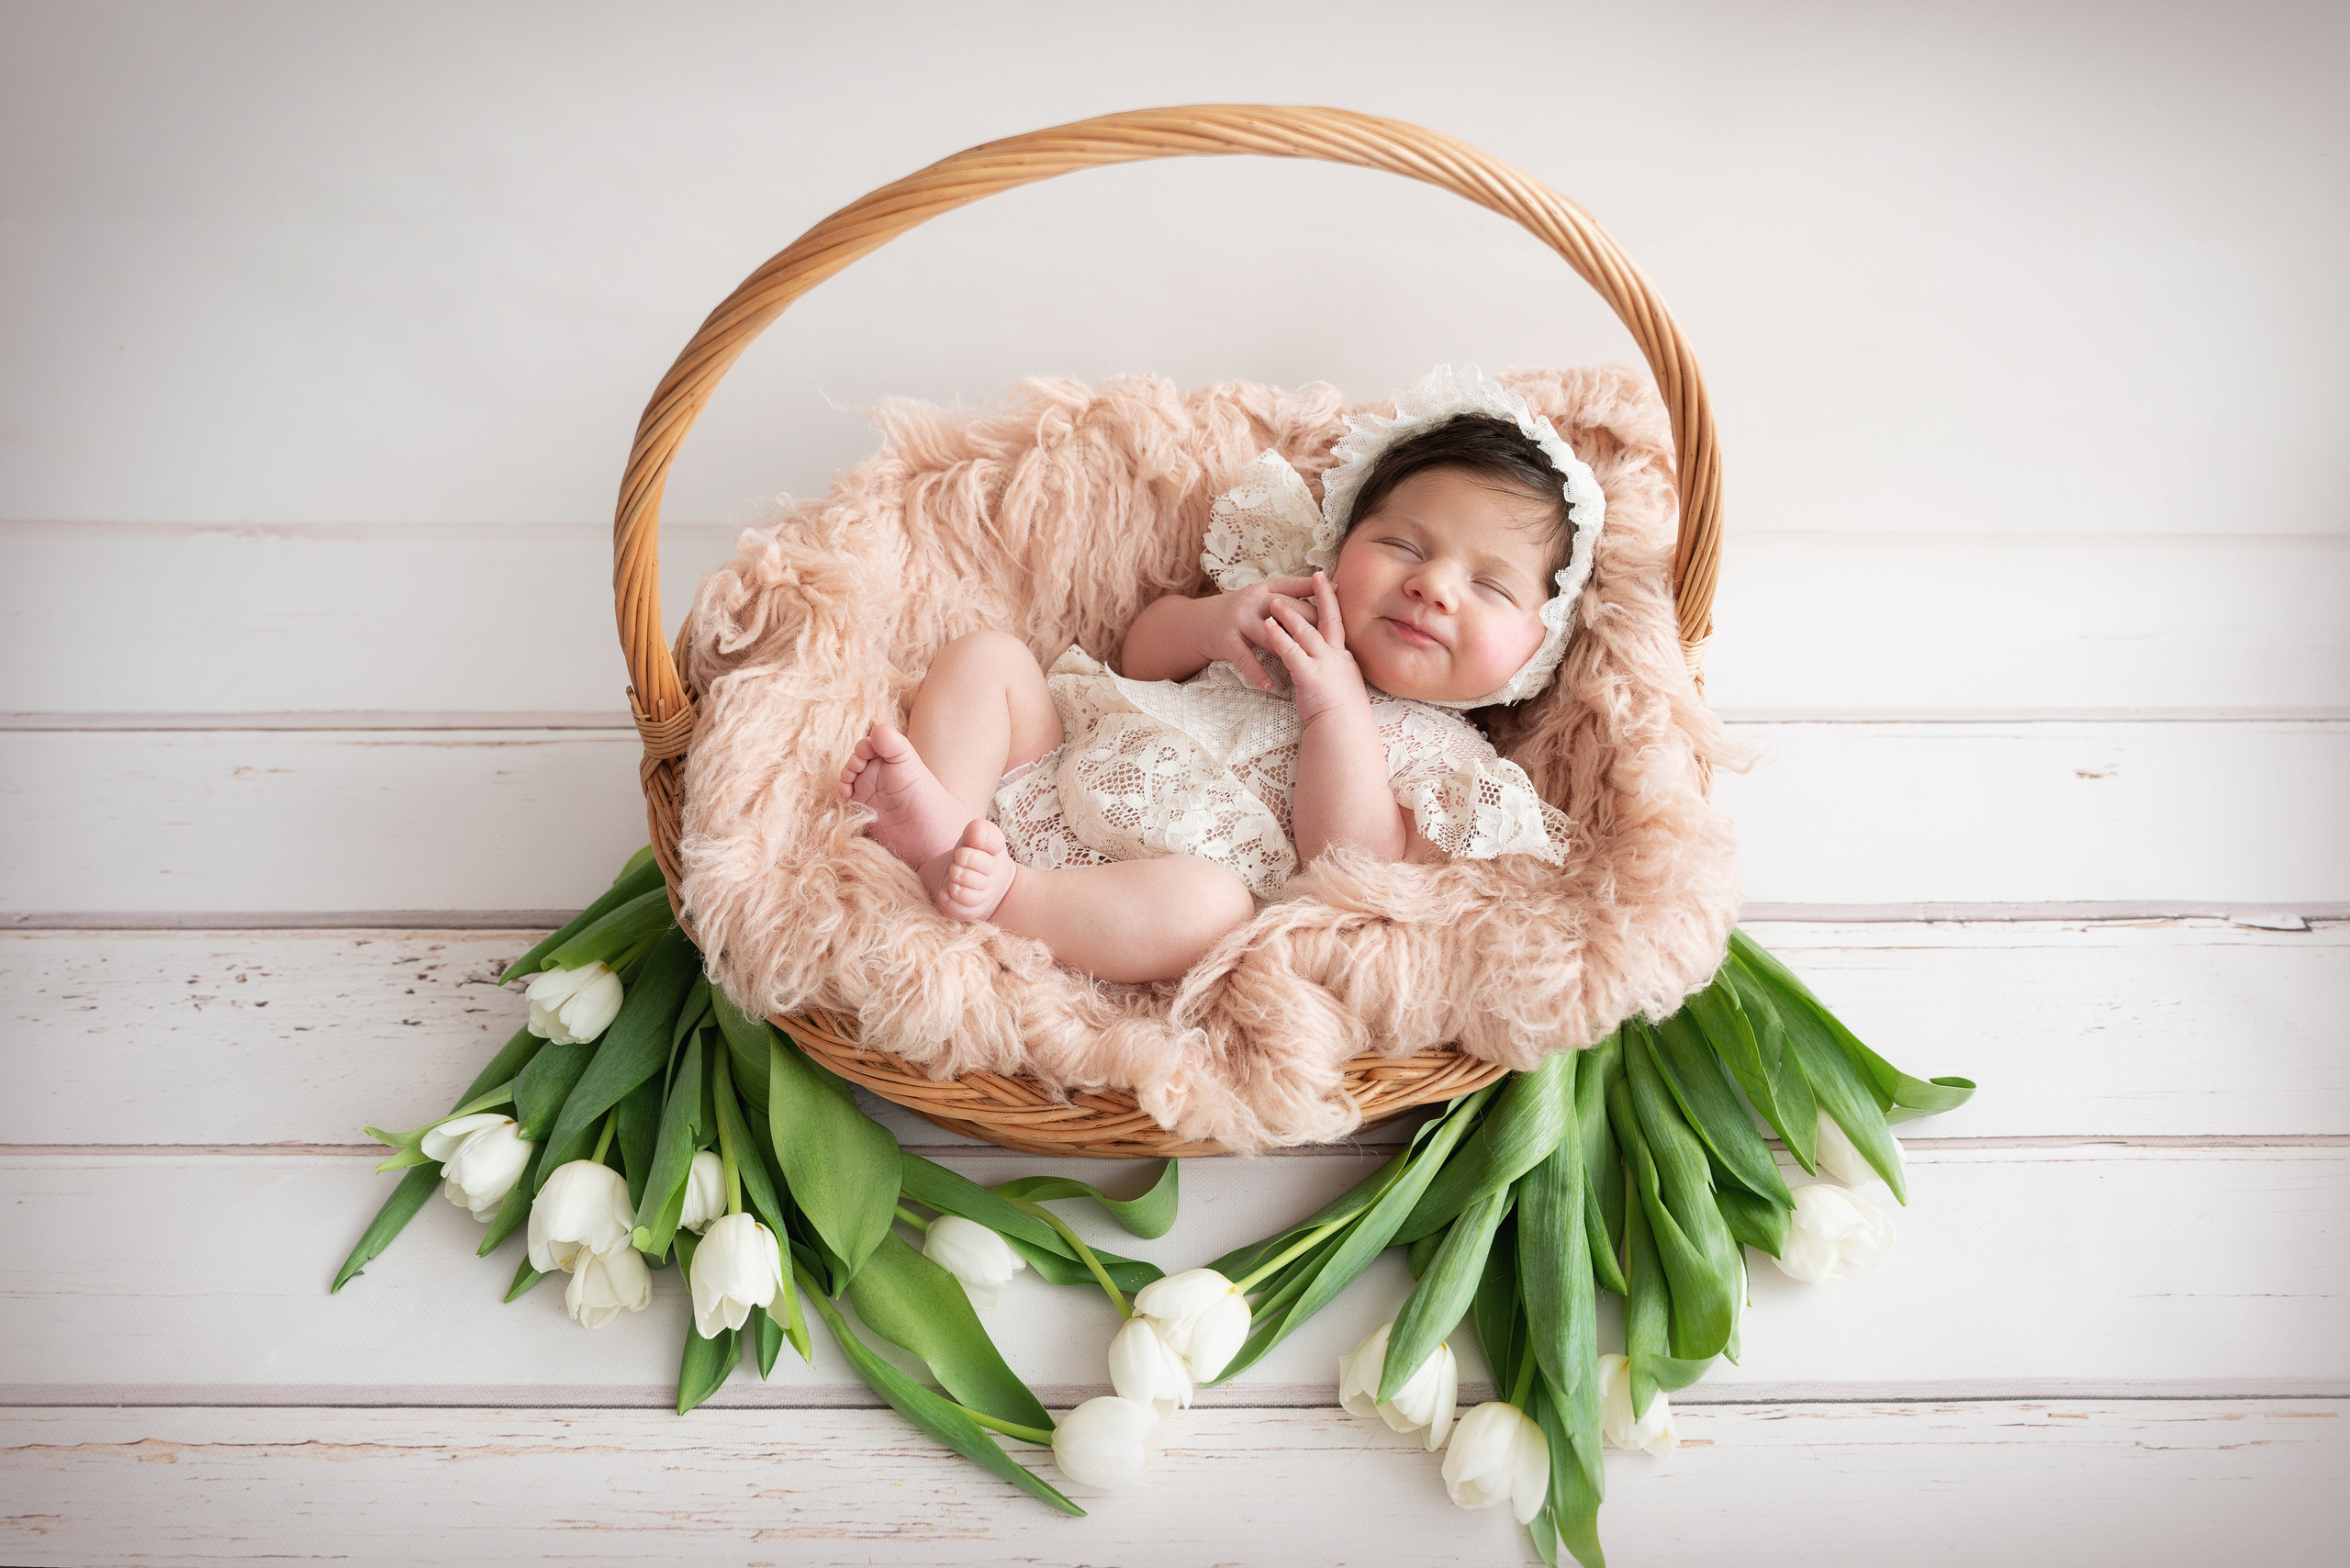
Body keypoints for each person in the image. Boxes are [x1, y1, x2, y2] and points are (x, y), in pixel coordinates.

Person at [838, 365, 1605, 983]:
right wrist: (1211, 623)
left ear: (1542, 641)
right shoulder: (1289, 616)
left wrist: (1335, 708)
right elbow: (1135, 661)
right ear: (1343, 544)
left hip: (1135, 891)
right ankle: (946, 830)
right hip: (1051, 773)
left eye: (1491, 586)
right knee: (989, 657)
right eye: (1404, 545)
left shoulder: (1459, 770)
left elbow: (1349, 866)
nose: (1433, 585)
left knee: (1210, 907)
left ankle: (1004, 896)